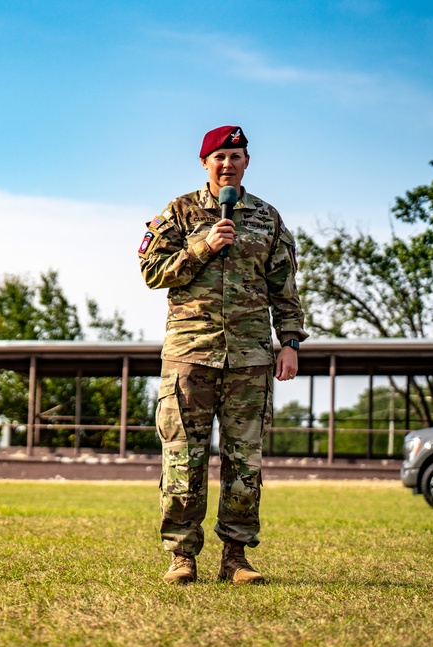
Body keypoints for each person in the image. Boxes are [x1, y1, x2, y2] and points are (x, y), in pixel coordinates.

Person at [137, 125, 307, 585]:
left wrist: (289, 342)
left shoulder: (267, 218)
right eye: (219, 156)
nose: (227, 163)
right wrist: (202, 246)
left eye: (235, 155)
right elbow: (152, 271)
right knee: (183, 458)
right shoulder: (179, 212)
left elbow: (284, 288)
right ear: (205, 163)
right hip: (190, 356)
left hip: (250, 358)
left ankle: (236, 557)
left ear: (247, 161)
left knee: (244, 462)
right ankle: (182, 557)